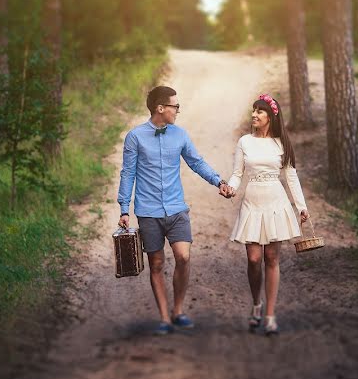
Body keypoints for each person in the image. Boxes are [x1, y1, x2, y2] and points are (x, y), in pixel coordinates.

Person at [118, 85, 233, 335]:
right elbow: (127, 173)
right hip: (148, 212)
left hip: (177, 209)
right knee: (156, 264)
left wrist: (219, 182)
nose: (177, 111)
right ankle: (164, 318)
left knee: (183, 256)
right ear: (161, 108)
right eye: (175, 106)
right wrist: (124, 209)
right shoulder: (135, 137)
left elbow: (196, 162)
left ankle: (178, 310)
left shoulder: (180, 135)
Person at [226, 93, 310, 335]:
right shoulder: (244, 142)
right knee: (253, 259)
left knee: (272, 259)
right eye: (253, 110)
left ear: (271, 116)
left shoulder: (282, 143)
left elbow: (291, 177)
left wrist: (301, 206)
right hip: (252, 201)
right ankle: (256, 304)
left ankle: (270, 315)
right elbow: (237, 173)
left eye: (260, 111)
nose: (254, 114)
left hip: (276, 202)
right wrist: (231, 187)